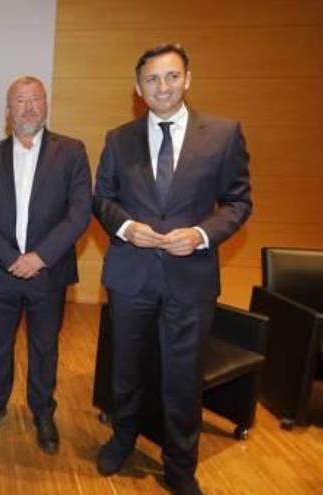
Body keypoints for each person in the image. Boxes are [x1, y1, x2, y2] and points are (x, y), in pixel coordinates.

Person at [92, 44, 251, 495]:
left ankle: (180, 464)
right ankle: (122, 439)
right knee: (125, 368)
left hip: (191, 277)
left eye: (171, 77)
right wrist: (124, 227)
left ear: (188, 79)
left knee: (183, 375)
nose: (162, 87)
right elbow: (101, 198)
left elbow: (239, 202)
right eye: (151, 80)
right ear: (137, 89)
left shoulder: (222, 133)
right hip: (131, 275)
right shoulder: (117, 138)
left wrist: (201, 234)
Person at [0, 75, 91, 454]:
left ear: (46, 105)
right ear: (8, 112)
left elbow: (79, 212)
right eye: (19, 101)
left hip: (48, 272)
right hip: (1, 271)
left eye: (35, 99)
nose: (28, 107)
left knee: (44, 346)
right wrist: (10, 259)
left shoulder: (72, 151)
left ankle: (42, 411)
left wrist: (40, 257)